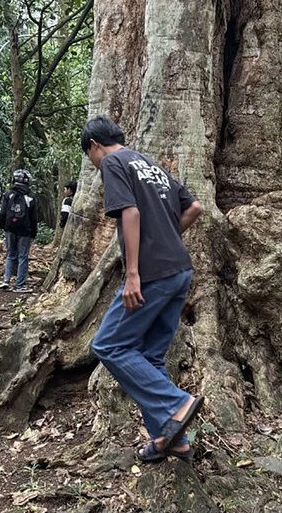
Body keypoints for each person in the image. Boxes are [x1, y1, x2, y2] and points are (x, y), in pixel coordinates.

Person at [82, 115, 205, 463]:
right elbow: (194, 207)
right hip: (179, 269)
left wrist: (133, 273)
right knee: (151, 357)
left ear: (94, 146)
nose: (93, 165)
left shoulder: (113, 163)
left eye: (90, 157)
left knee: (109, 344)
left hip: (151, 275)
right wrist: (166, 237)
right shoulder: (148, 163)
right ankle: (170, 439)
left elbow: (130, 213)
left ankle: (177, 403)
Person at [0, 168, 39, 293]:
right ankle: (19, 285)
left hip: (10, 229)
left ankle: (6, 281)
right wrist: (33, 233)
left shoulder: (8, 194)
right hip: (25, 231)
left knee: (10, 255)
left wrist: (4, 226)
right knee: (23, 256)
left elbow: (2, 213)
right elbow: (34, 218)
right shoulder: (30, 197)